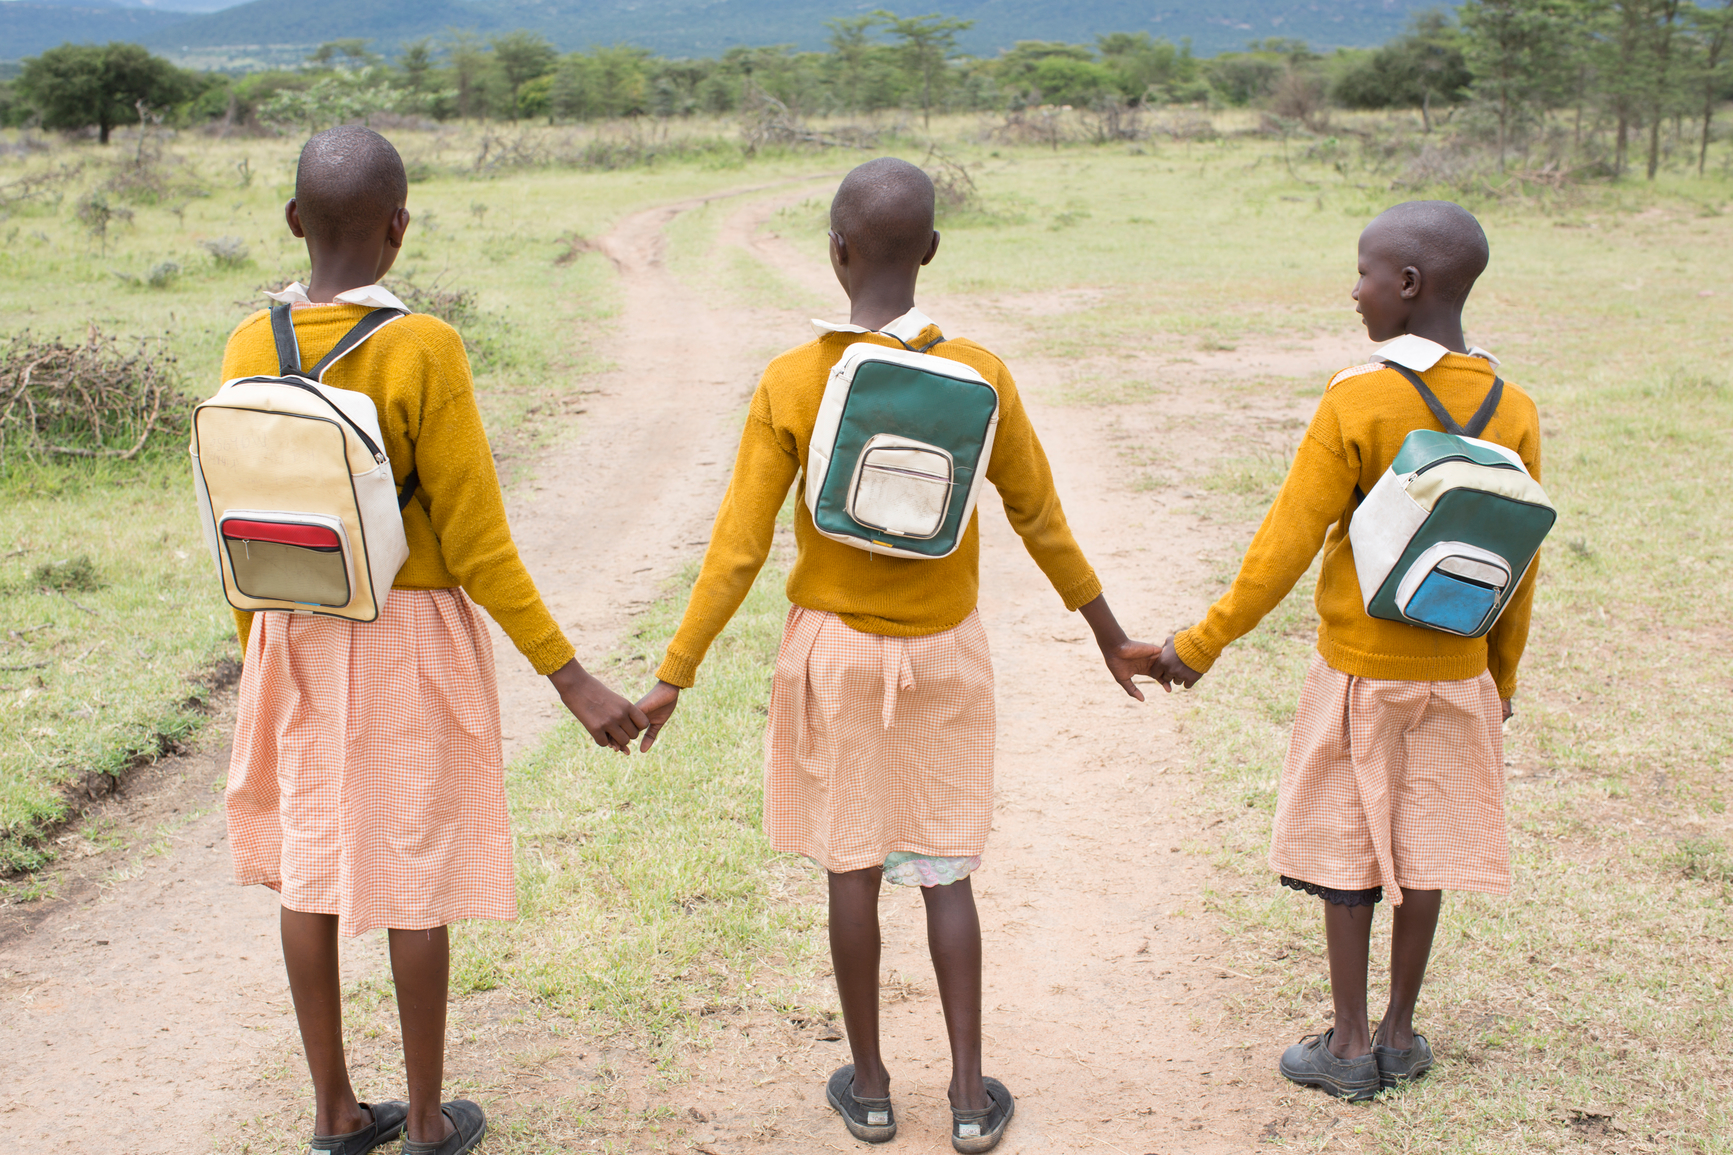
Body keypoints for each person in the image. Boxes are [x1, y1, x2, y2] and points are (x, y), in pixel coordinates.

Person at [633, 157, 1161, 1152]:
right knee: (945, 870)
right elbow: (1037, 514)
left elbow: (738, 547)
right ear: (928, 249)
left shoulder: (792, 379)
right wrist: (1106, 633)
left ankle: (869, 1089)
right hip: (944, 649)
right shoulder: (979, 373)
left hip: (830, 653)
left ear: (834, 254)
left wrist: (675, 673)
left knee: (851, 868)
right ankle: (967, 1097)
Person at [219, 126, 648, 1155]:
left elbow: (235, 519)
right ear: (399, 230)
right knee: (411, 871)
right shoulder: (425, 348)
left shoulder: (247, 343)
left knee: (309, 863)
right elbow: (477, 543)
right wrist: (571, 675)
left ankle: (331, 1111)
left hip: (292, 632)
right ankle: (419, 1121)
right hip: (403, 635)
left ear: (291, 223)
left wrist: (257, 657)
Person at [1151, 200, 1541, 1101]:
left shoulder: (1356, 396)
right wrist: (1502, 679)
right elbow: (1522, 560)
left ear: (1406, 286)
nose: (1354, 289)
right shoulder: (1513, 406)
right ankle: (1402, 1033)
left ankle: (1349, 1042)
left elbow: (1283, 545)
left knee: (1347, 850)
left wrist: (1197, 646)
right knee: (1425, 846)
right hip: (1458, 669)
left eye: (1364, 272)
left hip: (1360, 670)